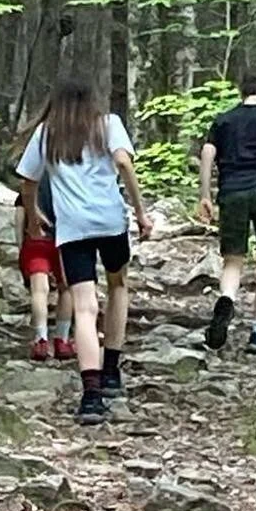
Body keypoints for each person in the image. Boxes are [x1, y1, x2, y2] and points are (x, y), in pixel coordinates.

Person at [16, 77, 153, 422]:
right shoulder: (108, 125)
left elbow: (28, 182)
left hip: (72, 228)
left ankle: (90, 395)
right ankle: (111, 370)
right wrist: (139, 212)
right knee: (119, 286)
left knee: (85, 307)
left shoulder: (47, 133)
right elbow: (123, 163)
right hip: (110, 222)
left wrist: (34, 219)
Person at [197, 67, 256, 353]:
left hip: (231, 191)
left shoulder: (224, 120)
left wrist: (205, 195)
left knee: (233, 259)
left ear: (242, 91)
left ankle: (227, 298)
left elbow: (207, 152)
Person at [13, 171, 74, 361]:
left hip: (36, 241)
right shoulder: (69, 181)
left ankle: (41, 340)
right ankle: (62, 341)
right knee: (67, 289)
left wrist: (21, 246)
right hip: (64, 240)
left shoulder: (31, 184)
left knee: (39, 291)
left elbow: (19, 216)